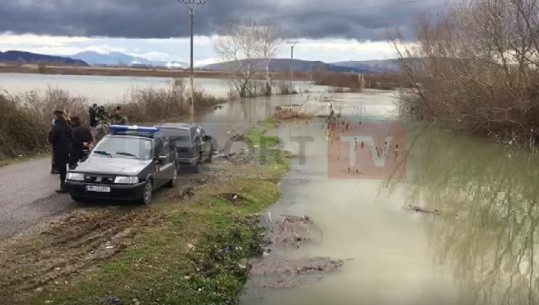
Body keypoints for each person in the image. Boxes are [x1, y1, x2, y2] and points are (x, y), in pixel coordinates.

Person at [48, 110, 72, 193]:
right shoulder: (67, 126)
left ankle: (63, 187)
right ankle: (67, 185)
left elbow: (51, 139)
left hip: (59, 150)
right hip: (67, 149)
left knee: (62, 169)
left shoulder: (56, 127)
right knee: (65, 168)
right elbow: (71, 135)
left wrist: (50, 132)